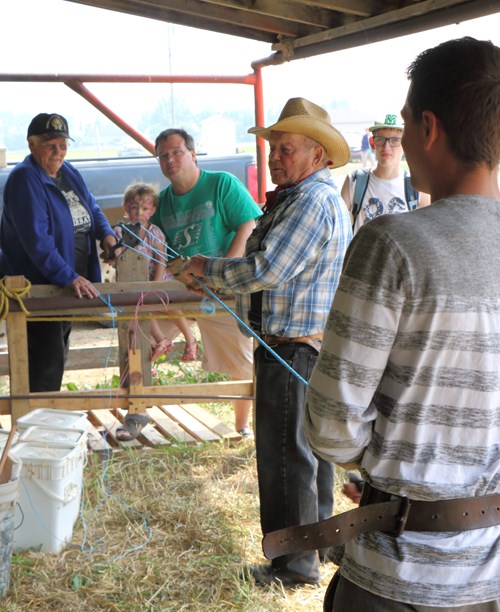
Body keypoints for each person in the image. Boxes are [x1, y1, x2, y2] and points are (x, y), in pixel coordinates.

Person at [305, 37, 500, 610]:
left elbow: (332, 424)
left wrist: (381, 467)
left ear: (429, 128)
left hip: (397, 575)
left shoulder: (393, 246)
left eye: (407, 124)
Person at [181, 97, 352, 586]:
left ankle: (295, 565)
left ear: (318, 155)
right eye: (273, 147)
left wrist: (205, 269)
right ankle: (318, 548)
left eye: (287, 148)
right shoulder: (307, 197)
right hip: (302, 344)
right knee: (308, 453)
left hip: (292, 346)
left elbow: (266, 268)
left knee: (284, 455)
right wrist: (211, 274)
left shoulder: (312, 201)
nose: (275, 157)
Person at [150, 128, 262, 439]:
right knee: (142, 335)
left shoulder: (221, 183)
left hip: (225, 288)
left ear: (193, 154)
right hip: (185, 290)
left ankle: (241, 427)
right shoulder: (160, 204)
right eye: (163, 155)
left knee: (241, 359)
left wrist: (222, 272)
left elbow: (248, 225)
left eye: (177, 152)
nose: (170, 159)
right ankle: (138, 410)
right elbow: (159, 248)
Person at [0, 113, 117, 392]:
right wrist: (69, 277)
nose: (58, 152)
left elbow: (93, 207)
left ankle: (42, 423)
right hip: (40, 287)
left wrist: (107, 234)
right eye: (50, 145)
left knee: (56, 355)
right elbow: (37, 242)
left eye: (63, 145)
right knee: (45, 363)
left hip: (64, 285)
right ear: (31, 144)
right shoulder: (25, 180)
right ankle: (36, 427)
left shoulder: (68, 172)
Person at [113, 182, 198, 362]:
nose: (139, 213)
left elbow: (161, 258)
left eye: (145, 208)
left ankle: (190, 339)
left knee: (169, 306)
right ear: (125, 207)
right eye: (134, 207)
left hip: (158, 278)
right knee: (140, 306)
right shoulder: (121, 231)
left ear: (153, 210)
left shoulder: (154, 232)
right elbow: (118, 254)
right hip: (136, 282)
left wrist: (156, 283)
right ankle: (161, 341)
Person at [342, 113, 430, 235]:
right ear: (372, 143)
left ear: (405, 144)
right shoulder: (354, 181)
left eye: (395, 140)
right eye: (380, 139)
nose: (386, 146)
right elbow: (338, 230)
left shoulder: (417, 187)